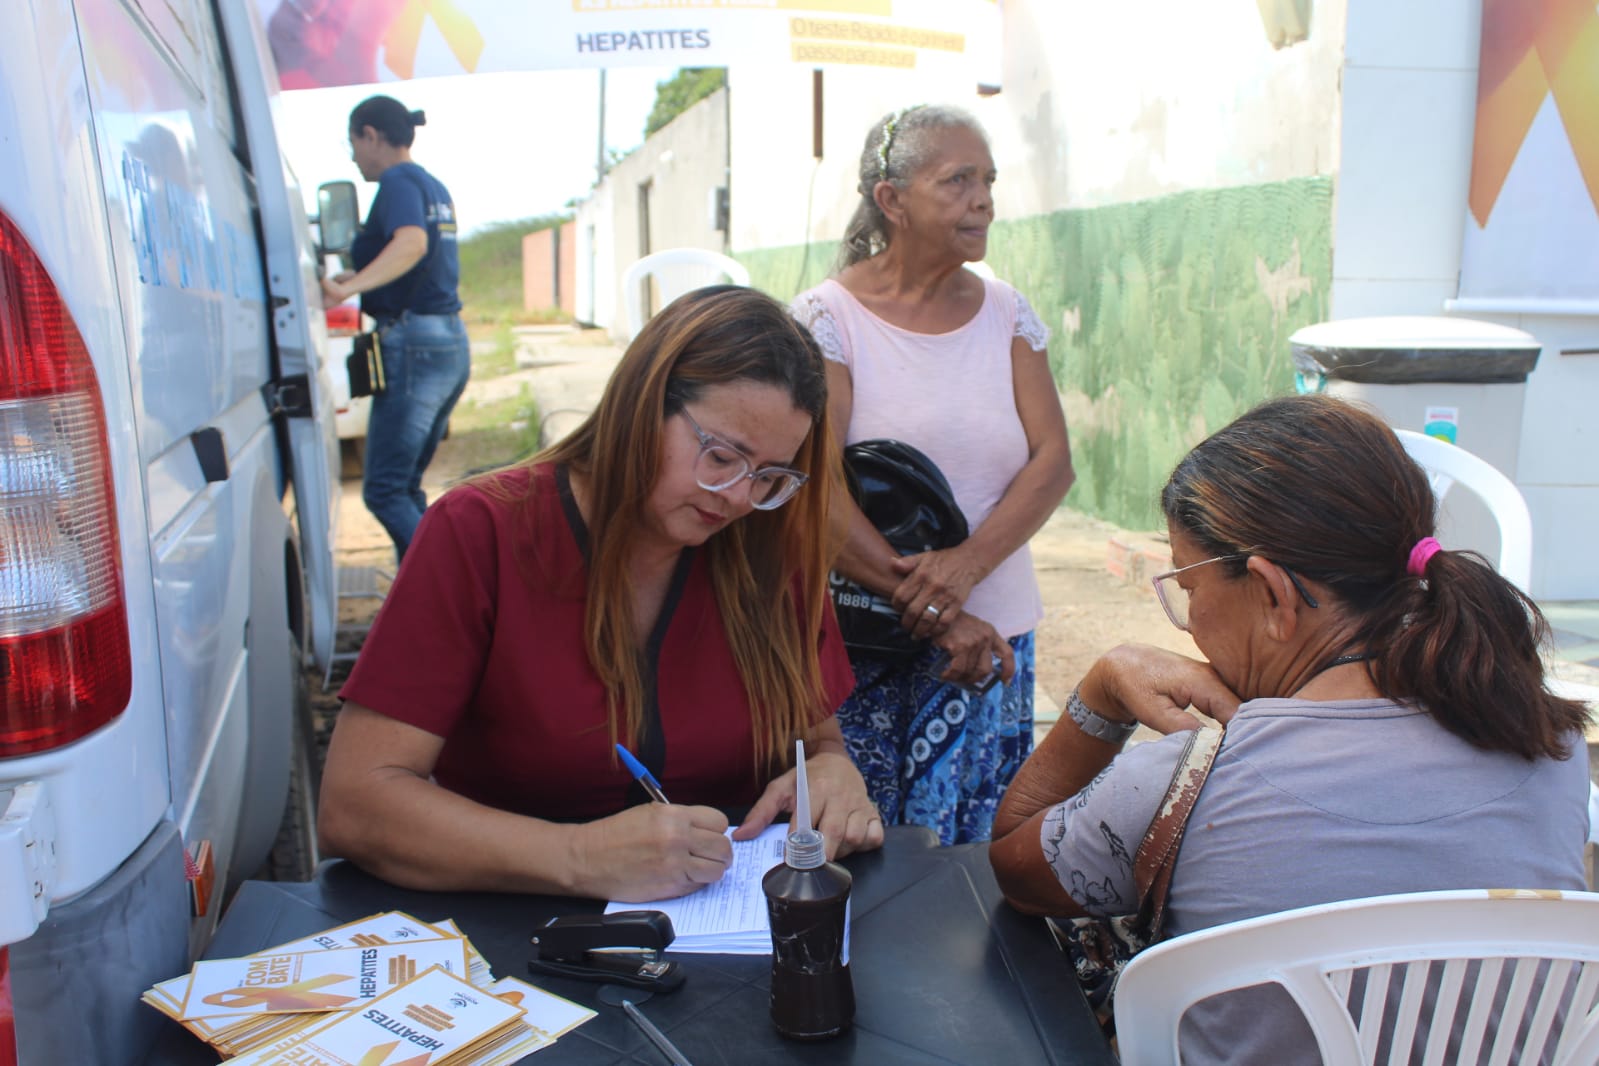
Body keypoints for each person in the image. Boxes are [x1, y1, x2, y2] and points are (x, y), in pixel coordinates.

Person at [989, 395, 1592, 1063]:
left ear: (1272, 594)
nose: (1183, 622)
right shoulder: (1547, 743)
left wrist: (1103, 690)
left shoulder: (1185, 783)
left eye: (1187, 589)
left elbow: (1014, 869)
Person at [318, 286, 883, 902]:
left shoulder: (773, 544)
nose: (739, 498)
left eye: (771, 476)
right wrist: (578, 858)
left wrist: (832, 770)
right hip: (510, 941)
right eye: (722, 456)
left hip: (730, 932)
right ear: (642, 404)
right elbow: (356, 803)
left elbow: (816, 737)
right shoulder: (480, 532)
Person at [791, 104, 1075, 844]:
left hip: (995, 642)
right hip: (872, 639)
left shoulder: (1008, 314)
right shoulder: (831, 320)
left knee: (977, 855)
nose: (982, 199)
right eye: (956, 181)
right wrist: (942, 611)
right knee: (874, 855)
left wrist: (967, 568)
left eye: (987, 180)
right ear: (891, 200)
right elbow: (815, 491)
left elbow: (1052, 463)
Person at [322, 94, 470, 561]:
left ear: (371, 135)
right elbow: (417, 257)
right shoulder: (431, 185)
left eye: (353, 142)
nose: (352, 156)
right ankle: (427, 597)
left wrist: (348, 289)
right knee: (405, 487)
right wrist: (362, 281)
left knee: (383, 491)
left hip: (414, 347)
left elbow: (410, 244)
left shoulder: (397, 182)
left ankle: (450, 585)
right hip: (445, 340)